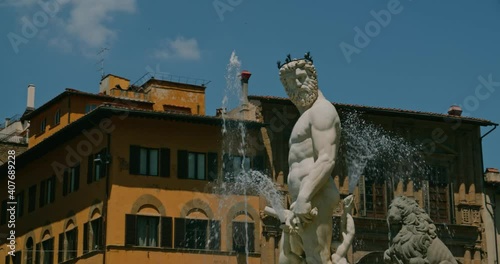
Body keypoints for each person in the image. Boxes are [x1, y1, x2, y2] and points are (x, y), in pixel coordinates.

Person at [278, 57, 342, 264]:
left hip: (315, 195)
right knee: (287, 258)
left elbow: (326, 159)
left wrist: (305, 196)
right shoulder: (305, 116)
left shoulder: (322, 110)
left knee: (317, 258)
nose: (296, 85)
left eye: (301, 78)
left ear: (313, 77)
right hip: (302, 200)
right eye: (289, 82)